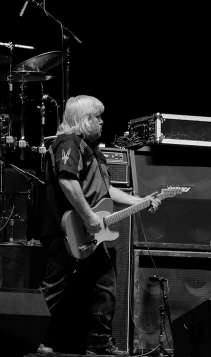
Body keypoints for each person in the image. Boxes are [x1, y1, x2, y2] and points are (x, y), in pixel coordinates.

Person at [39, 95, 161, 356]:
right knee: (55, 286)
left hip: (89, 231)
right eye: (97, 116)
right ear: (84, 119)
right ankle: (33, 336)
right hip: (68, 228)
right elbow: (67, 181)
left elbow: (108, 191)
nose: (102, 121)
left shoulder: (93, 149)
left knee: (104, 286)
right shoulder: (68, 142)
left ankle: (99, 343)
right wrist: (88, 217)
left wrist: (141, 201)